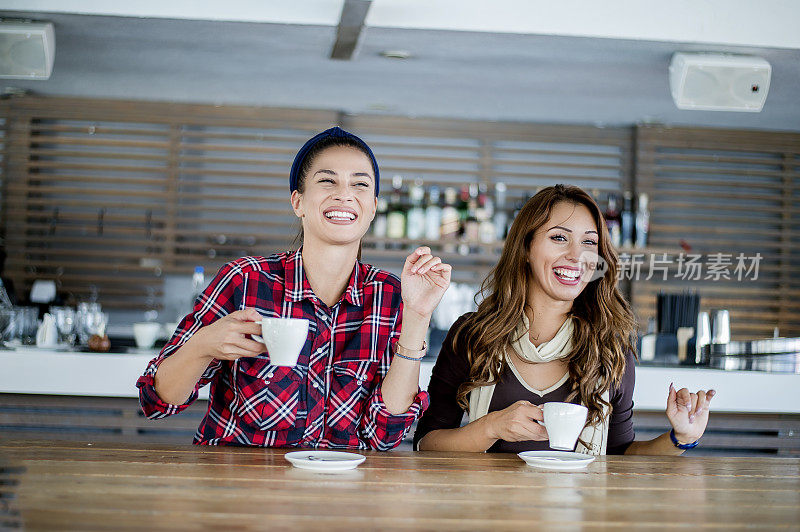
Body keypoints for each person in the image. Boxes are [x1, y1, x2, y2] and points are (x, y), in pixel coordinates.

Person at [137, 126, 451, 449]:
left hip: (346, 496)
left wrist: (417, 315)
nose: (344, 194)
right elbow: (156, 402)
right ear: (297, 201)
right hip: (240, 491)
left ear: (372, 207)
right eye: (327, 181)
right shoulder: (245, 280)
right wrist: (203, 345)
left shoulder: (389, 296)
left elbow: (384, 436)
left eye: (359, 184)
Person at [415, 184, 714, 455]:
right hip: (492, 512)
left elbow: (620, 455)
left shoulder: (610, 347)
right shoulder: (472, 335)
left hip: (579, 512)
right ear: (526, 249)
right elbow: (426, 444)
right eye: (559, 237)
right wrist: (492, 427)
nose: (576, 255)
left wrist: (681, 438)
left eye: (589, 243)